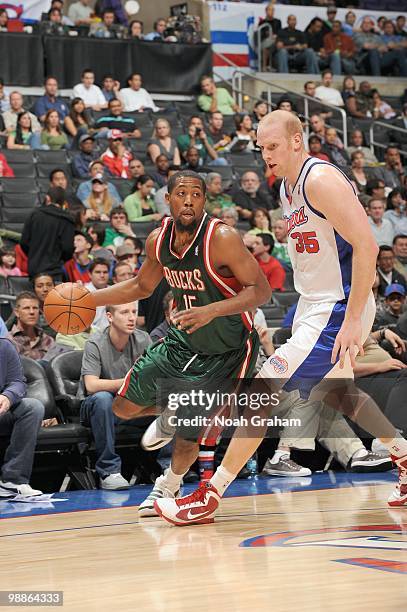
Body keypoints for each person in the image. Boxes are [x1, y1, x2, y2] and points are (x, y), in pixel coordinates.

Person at [155, 110, 407, 525]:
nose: (265, 155)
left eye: (272, 146)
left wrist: (351, 320)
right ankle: (403, 458)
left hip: (338, 306)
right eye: (260, 148)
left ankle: (209, 493)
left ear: (296, 141)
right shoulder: (287, 188)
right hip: (315, 305)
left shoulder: (319, 180)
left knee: (263, 389)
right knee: (339, 394)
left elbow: (366, 246)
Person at [81, 170, 270, 514]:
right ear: (167, 200)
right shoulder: (157, 240)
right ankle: (173, 409)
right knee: (122, 407)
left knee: (188, 434)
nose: (189, 200)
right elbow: (140, 287)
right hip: (183, 341)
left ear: (204, 200)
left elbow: (261, 290)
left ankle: (168, 485)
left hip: (228, 349)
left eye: (196, 195)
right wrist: (88, 300)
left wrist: (212, 310)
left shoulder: (222, 237)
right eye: (181, 194)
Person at [79, 302, 150, 489]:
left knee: (168, 396)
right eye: (125, 312)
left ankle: (168, 466)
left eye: (134, 312)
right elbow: (92, 385)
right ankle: (109, 470)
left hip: (130, 405)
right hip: (96, 407)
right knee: (103, 398)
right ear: (109, 317)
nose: (132, 317)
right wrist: (128, 382)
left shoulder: (143, 339)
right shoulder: (94, 343)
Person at [0, 338, 44, 497]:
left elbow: (18, 382)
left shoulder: (4, 346)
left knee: (33, 407)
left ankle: (13, 480)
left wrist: (7, 396)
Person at [20, 187, 75, 281]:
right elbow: (68, 248)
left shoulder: (34, 214)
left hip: (34, 269)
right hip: (55, 270)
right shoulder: (67, 220)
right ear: (63, 202)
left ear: (47, 198)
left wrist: (34, 254)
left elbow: (24, 242)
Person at [9, 291, 55, 360]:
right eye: (26, 308)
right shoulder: (8, 342)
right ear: (17, 312)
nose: (32, 312)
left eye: (35, 308)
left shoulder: (48, 340)